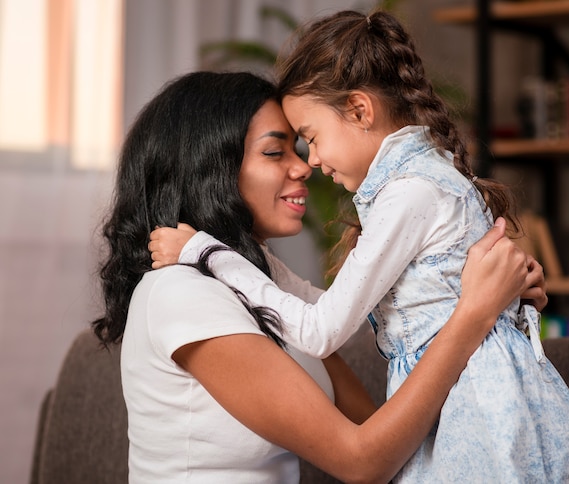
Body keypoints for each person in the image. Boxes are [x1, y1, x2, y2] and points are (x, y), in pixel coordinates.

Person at [149, 10, 569, 483]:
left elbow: (320, 330)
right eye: (281, 150)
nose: (313, 162)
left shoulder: (409, 194)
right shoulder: (421, 183)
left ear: (361, 111)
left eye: (311, 139)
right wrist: (240, 261)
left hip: (477, 408)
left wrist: (208, 253)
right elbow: (331, 312)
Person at [92, 70, 540, 484]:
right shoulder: (180, 293)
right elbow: (362, 460)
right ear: (209, 171)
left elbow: (390, 438)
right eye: (274, 151)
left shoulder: (274, 296)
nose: (304, 166)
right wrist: (473, 315)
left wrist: (499, 297)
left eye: (299, 147)